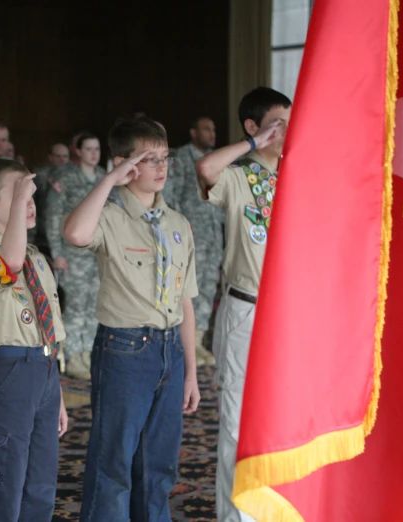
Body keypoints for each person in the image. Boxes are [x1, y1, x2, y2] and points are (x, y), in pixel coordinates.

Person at [63, 118, 200, 521]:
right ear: (124, 164)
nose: (161, 167)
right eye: (149, 159)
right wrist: (110, 180)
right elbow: (74, 233)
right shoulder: (108, 216)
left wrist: (189, 371)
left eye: (165, 158)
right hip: (124, 349)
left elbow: (185, 301)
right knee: (115, 459)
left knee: (160, 463)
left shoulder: (176, 223)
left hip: (169, 349)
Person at [194, 87, 290, 522]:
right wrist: (256, 145)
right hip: (247, 310)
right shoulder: (240, 176)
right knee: (237, 420)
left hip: (289, 315)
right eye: (277, 123)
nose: (287, 131)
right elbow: (206, 167)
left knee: (285, 420)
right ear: (254, 127)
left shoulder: (296, 175)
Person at [0, 158, 68, 521]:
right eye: (19, 194)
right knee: (3, 484)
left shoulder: (36, 257)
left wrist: (54, 392)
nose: (30, 202)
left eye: (31, 194)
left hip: (42, 368)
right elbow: (8, 264)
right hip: (10, 372)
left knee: (40, 484)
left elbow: (47, 328)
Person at [45, 133, 105, 381]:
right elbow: (53, 216)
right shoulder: (65, 177)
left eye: (97, 148)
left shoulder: (104, 177)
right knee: (76, 306)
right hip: (73, 254)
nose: (94, 153)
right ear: (78, 151)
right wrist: (56, 253)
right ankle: (73, 355)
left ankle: (89, 352)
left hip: (98, 253)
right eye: (89, 149)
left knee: (95, 306)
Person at [168, 117, 221, 367]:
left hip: (213, 234)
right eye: (206, 129)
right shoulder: (179, 159)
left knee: (208, 287)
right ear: (193, 132)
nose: (212, 133)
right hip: (190, 235)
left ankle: (198, 342)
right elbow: (171, 196)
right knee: (188, 289)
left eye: (213, 129)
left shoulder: (218, 160)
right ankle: (184, 341)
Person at [34, 143, 69, 249]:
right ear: (50, 157)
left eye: (65, 156)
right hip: (43, 231)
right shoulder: (40, 176)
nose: (62, 159)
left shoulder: (75, 177)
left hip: (67, 231)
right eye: (58, 156)